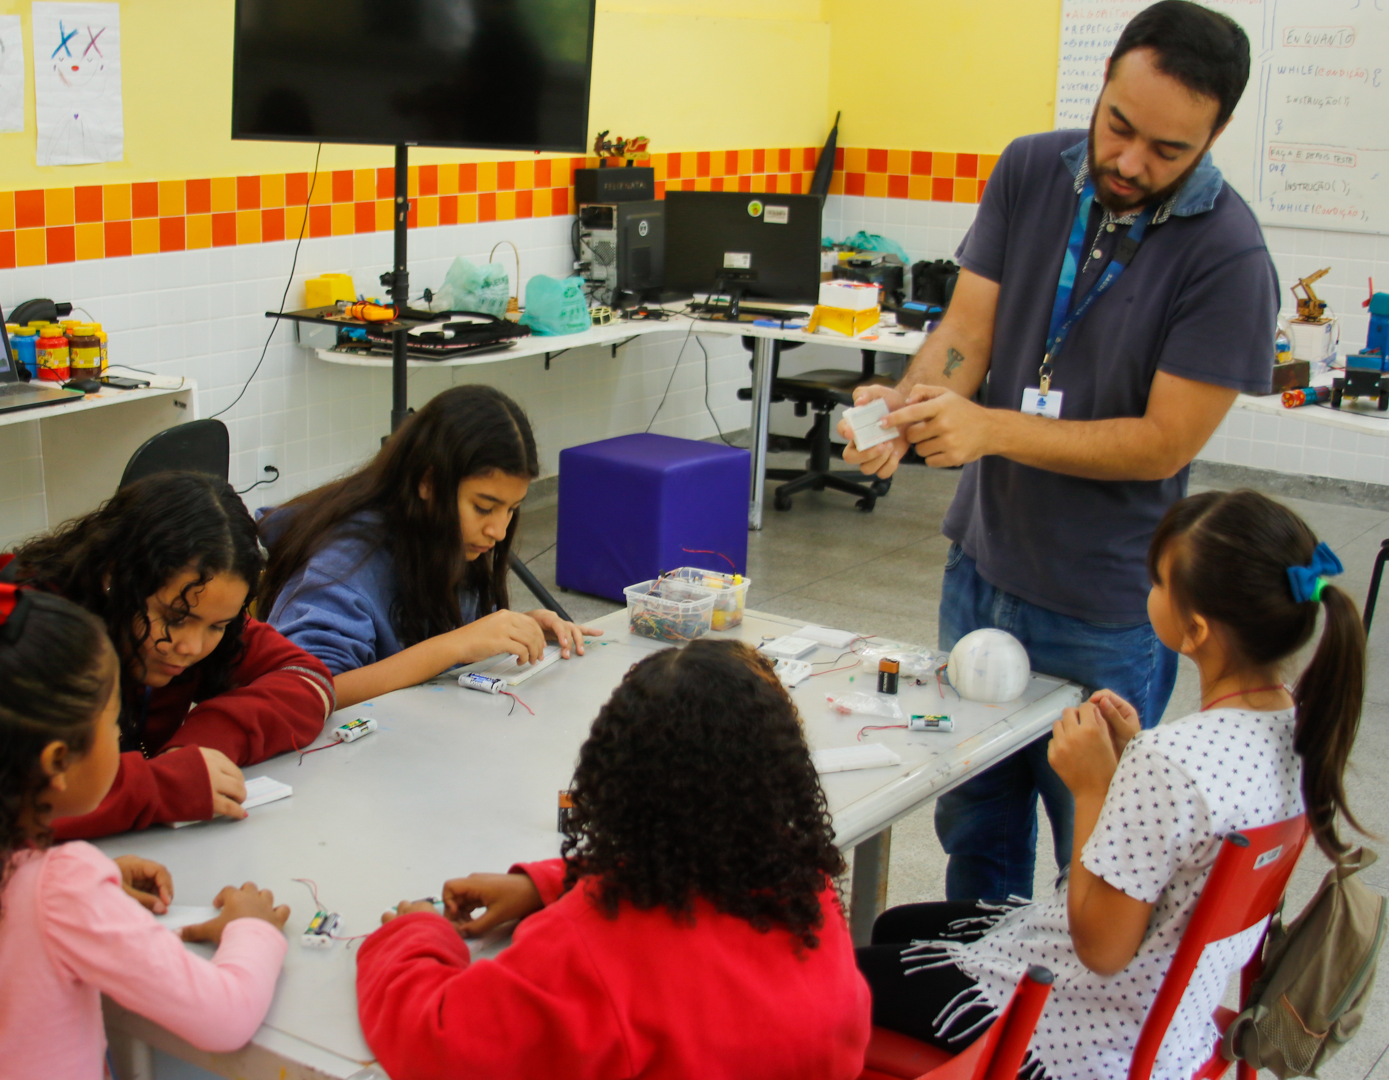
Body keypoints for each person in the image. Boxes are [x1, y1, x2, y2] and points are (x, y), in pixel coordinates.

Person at [840, 0, 1280, 901]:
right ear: (1104, 83)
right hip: (983, 568)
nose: (1128, 163)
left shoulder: (1231, 257)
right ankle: (976, 1023)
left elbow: (1165, 444)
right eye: (1118, 126)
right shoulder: (1033, 169)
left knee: (1096, 848)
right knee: (973, 823)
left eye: (1167, 151)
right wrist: (913, 403)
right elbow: (966, 332)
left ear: (1215, 134)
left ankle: (1055, 1034)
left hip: (1109, 609)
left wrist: (992, 428)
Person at [857, 490, 1364, 1080]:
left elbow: (1100, 949)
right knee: (898, 925)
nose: (1146, 592)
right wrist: (1131, 764)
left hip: (1085, 1031)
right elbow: (1189, 832)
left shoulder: (1169, 761)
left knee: (845, 981)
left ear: (1195, 629)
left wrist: (1094, 787)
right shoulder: (1299, 727)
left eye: (1157, 582)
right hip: (1175, 1013)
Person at [0, 574, 292, 1080]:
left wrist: (93, 884)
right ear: (57, 761)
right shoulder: (60, 890)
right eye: (113, 719)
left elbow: (6, 914)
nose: (119, 735)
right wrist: (250, 927)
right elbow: (223, 1019)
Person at [357, 640, 871, 1079]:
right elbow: (692, 864)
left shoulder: (591, 946)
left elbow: (442, 1044)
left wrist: (416, 936)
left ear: (619, 782)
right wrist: (547, 884)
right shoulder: (805, 882)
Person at [4, 470, 336, 837]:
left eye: (217, 625)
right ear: (115, 578)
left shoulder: (200, 605)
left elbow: (308, 678)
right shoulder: (25, 631)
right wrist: (157, 785)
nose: (191, 647)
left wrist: (200, 748)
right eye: (175, 618)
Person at [259, 384, 597, 709]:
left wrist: (515, 629)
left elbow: (445, 632)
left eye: (511, 508)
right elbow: (304, 695)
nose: (498, 529)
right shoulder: (343, 562)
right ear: (427, 483)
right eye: (483, 507)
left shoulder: (442, 537)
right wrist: (455, 646)